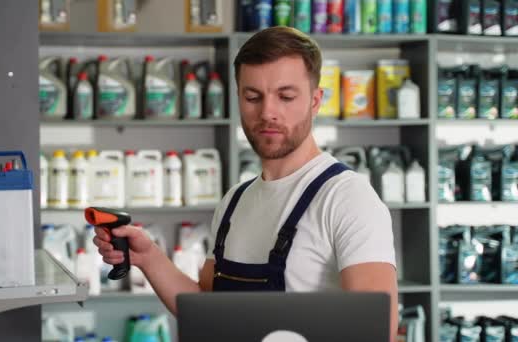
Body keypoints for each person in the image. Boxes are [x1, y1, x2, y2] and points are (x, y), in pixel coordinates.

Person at [93, 26, 398, 339]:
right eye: (253, 97)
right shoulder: (234, 201)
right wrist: (149, 257)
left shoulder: (347, 198)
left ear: (315, 101)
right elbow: (209, 310)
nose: (268, 112)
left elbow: (375, 332)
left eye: (286, 96)